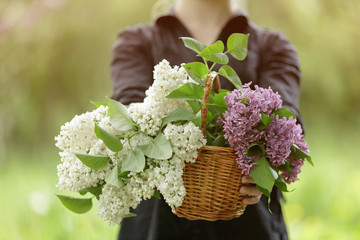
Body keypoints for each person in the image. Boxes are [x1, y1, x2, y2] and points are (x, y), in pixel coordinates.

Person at [110, 0, 302, 239]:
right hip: (156, 228)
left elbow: (286, 124)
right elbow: (130, 118)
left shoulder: (273, 47)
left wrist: (264, 166)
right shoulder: (136, 42)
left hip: (251, 227)